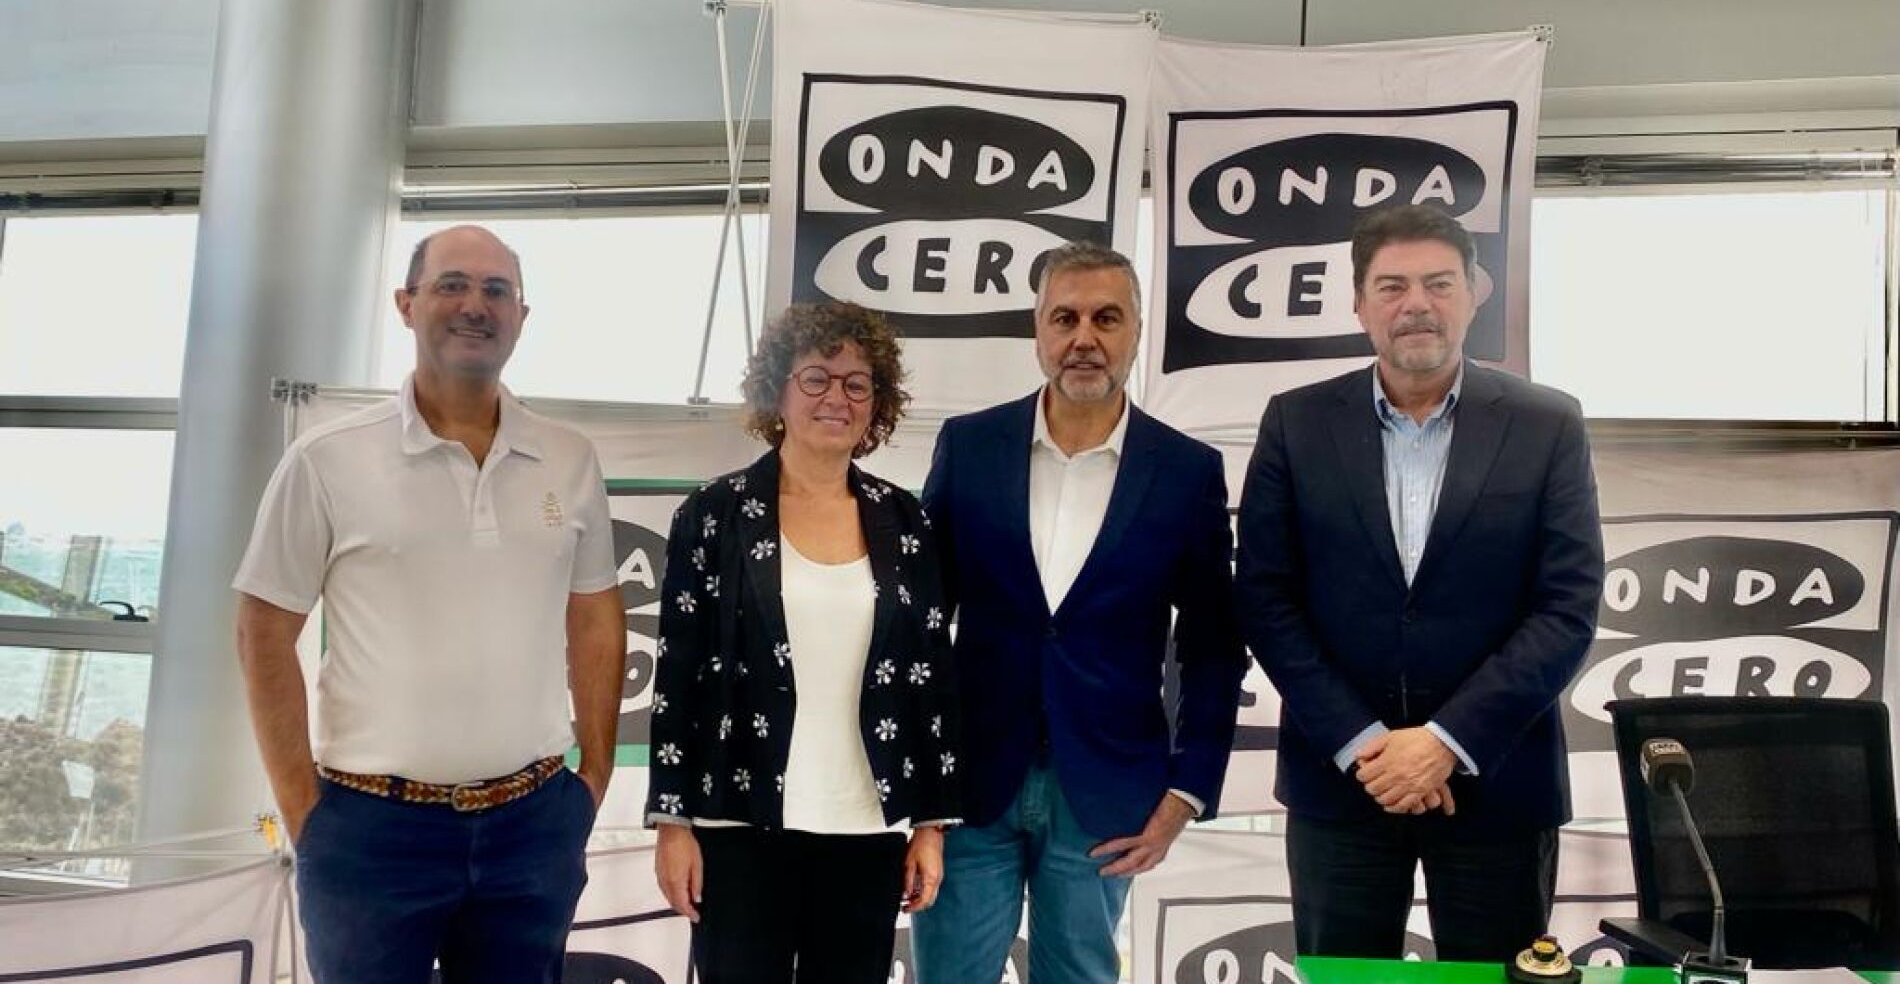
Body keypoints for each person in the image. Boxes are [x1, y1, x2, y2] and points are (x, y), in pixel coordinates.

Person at [232, 225, 627, 983]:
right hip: (369, 831)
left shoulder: (570, 458)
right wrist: (305, 812)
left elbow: (596, 618)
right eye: (452, 284)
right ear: (406, 304)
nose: (475, 304)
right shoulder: (326, 458)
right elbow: (261, 631)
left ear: (521, 316)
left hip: (534, 826)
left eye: (496, 290)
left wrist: (594, 778)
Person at [1236, 204, 1605, 961]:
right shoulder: (1296, 424)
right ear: (1359, 303)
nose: (1417, 304)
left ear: (1474, 293)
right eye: (1392, 286)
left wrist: (1446, 742)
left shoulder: (1548, 424)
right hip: (1344, 787)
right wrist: (1366, 745)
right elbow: (1267, 599)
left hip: (1498, 782)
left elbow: (1566, 606)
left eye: (1439, 283)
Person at [912, 241, 1247, 984]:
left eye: (1107, 318)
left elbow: (1213, 647)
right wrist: (921, 784)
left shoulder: (1186, 470)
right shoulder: (969, 446)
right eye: (1064, 318)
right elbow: (923, 625)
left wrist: (1187, 792)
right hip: (971, 786)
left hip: (1108, 792)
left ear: (1136, 331)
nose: (1084, 338)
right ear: (1038, 330)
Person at [645, 301, 961, 984]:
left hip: (867, 827)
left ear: (877, 403)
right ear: (778, 390)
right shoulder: (713, 514)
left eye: (857, 383)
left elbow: (932, 678)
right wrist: (672, 820)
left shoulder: (905, 520)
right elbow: (677, 676)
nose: (836, 397)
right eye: (816, 377)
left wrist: (931, 824)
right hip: (736, 822)